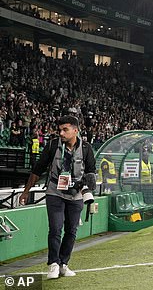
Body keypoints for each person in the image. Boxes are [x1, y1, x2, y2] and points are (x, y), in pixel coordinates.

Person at [18, 115, 96, 279]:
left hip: (76, 195)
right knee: (55, 228)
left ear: (75, 130)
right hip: (55, 192)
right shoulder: (53, 145)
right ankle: (53, 264)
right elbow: (37, 170)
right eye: (59, 129)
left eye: (65, 129)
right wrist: (26, 191)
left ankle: (63, 264)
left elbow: (90, 173)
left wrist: (89, 193)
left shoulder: (87, 148)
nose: (61, 133)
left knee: (71, 231)